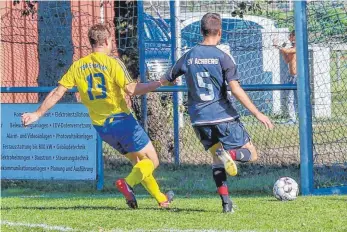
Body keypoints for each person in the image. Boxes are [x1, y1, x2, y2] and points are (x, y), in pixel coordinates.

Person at [21, 23, 172, 209]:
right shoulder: (113, 63)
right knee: (152, 161)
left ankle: (160, 199)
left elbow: (57, 93)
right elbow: (132, 89)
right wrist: (159, 82)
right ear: (107, 41)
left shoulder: (78, 66)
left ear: (91, 43)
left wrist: (37, 114)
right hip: (122, 121)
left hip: (103, 128)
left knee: (138, 162)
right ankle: (128, 184)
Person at [160, 13, 274, 213]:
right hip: (222, 116)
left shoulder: (189, 55)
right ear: (219, 32)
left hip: (199, 120)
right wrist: (258, 113)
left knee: (216, 160)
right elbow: (235, 89)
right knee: (251, 153)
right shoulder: (223, 57)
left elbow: (167, 78)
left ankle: (226, 203)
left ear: (201, 31)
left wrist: (155, 84)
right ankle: (229, 153)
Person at [274, 30, 297, 124]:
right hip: (292, 76)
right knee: (290, 98)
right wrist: (281, 49)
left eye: (291, 36)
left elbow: (287, 50)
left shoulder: (299, 47)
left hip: (299, 77)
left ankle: (304, 118)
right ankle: (292, 118)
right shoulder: (292, 48)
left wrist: (279, 46)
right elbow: (287, 60)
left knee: (299, 98)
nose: (289, 38)